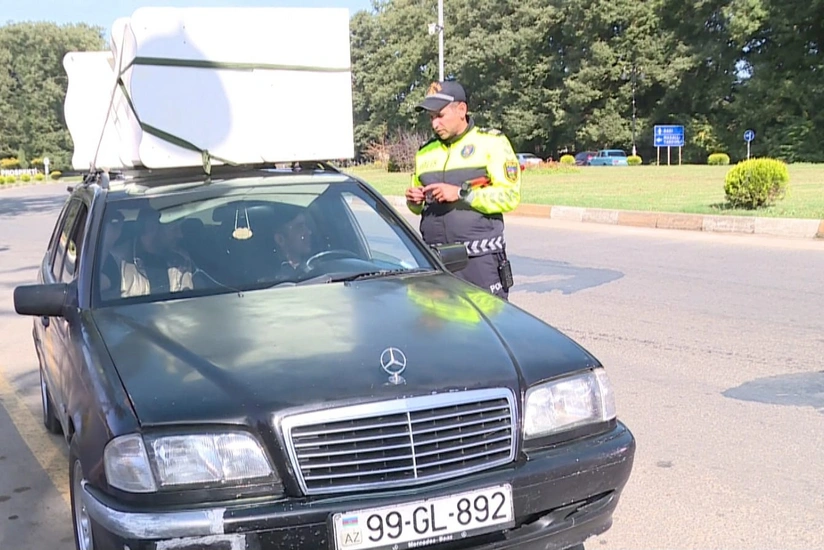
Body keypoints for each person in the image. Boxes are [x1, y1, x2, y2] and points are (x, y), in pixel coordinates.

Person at [407, 80, 521, 300]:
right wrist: (414, 200)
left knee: (484, 328)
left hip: (478, 262)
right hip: (435, 261)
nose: (434, 124)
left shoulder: (491, 143)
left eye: (440, 115)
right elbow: (417, 206)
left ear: (462, 110)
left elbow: (510, 196)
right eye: (431, 118)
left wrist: (462, 194)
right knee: (439, 329)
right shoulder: (425, 152)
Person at [272, 207, 315, 277]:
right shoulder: (269, 279)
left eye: (306, 226)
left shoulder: (319, 268)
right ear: (280, 239)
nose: (308, 232)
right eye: (299, 227)